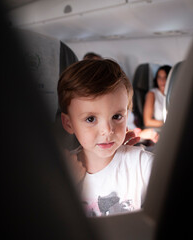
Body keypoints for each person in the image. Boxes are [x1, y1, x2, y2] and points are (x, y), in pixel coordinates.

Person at [57, 59, 154, 217]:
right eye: (90, 119)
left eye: (117, 116)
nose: (107, 131)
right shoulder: (63, 175)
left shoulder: (141, 164)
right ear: (69, 124)